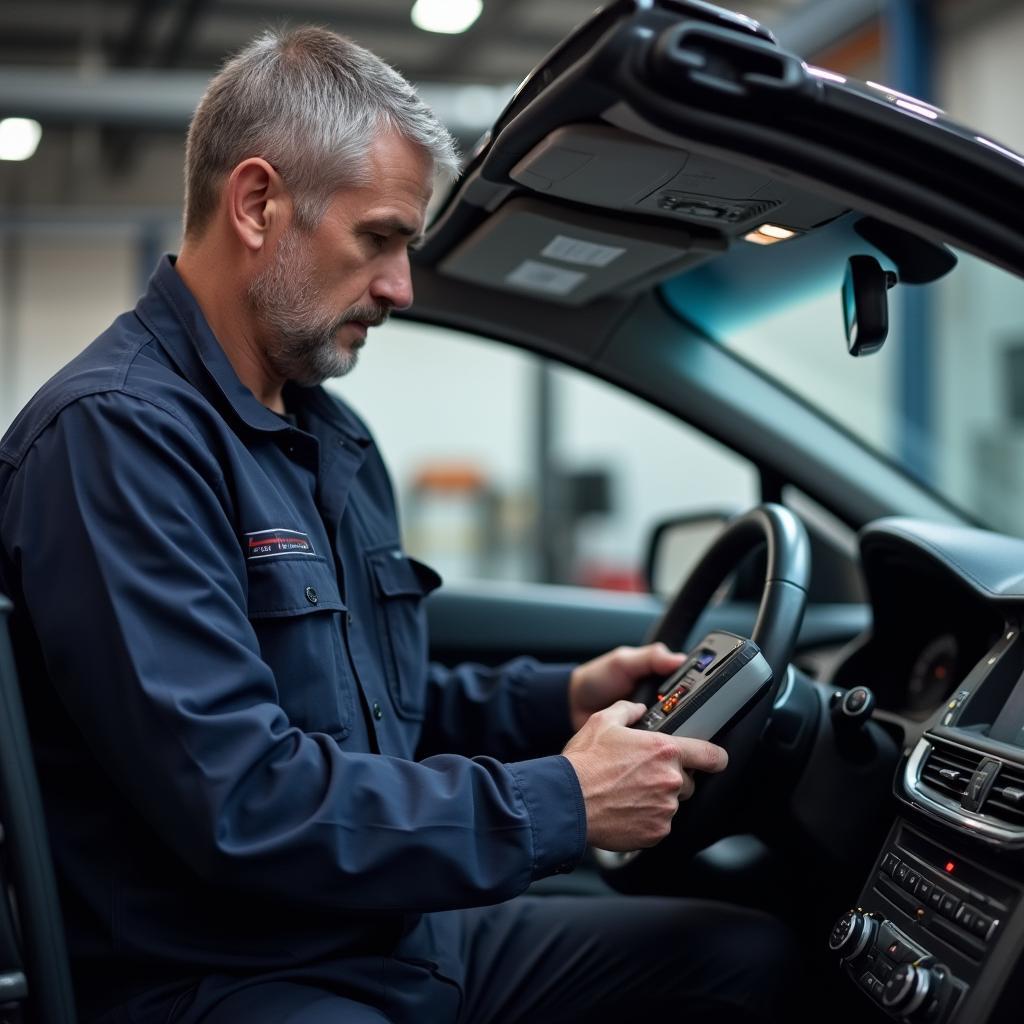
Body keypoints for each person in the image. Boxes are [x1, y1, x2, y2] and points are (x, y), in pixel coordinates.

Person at [0, 27, 796, 1024]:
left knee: (742, 958)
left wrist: (564, 698)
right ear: (256, 205)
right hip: (233, 977)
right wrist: (560, 799)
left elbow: (375, 704)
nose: (400, 288)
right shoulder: (117, 440)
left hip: (393, 929)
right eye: (378, 238)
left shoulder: (328, 436)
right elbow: (244, 797)